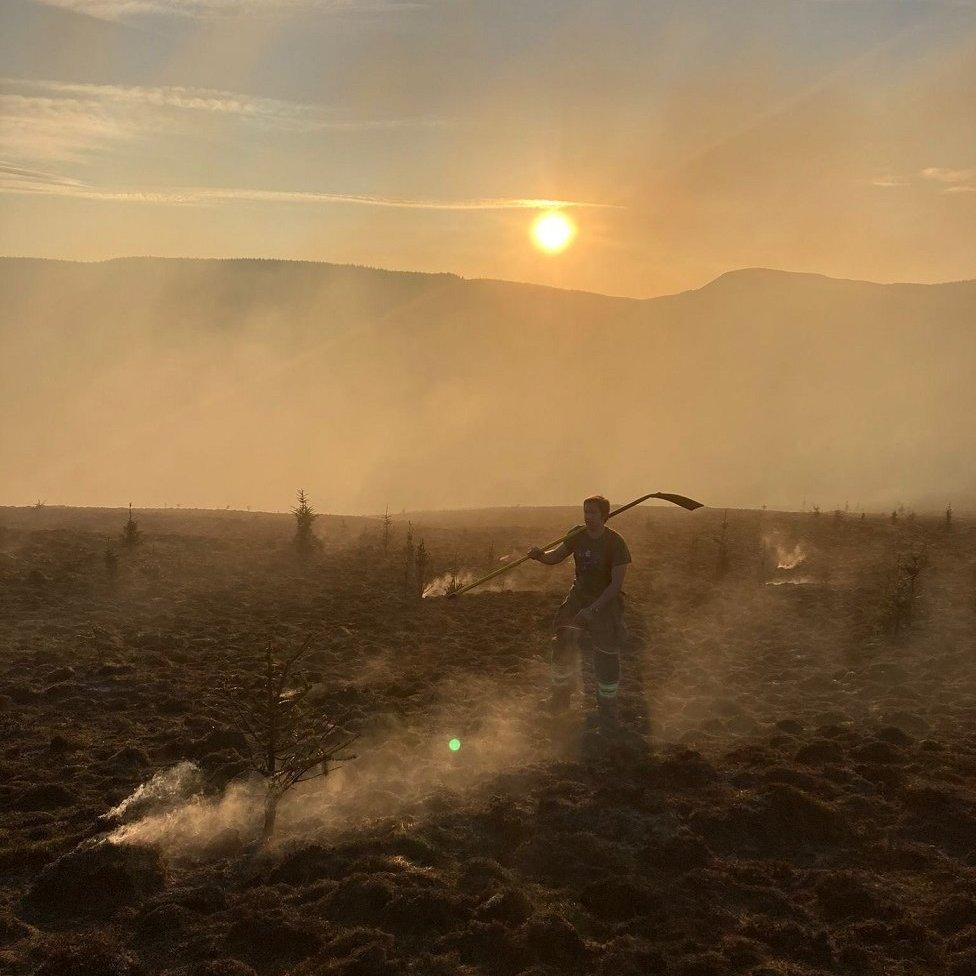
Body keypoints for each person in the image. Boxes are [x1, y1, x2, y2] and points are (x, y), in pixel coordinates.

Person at [528, 494, 631, 733]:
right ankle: (560, 699)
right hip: (578, 598)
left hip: (605, 604)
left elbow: (615, 586)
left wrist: (592, 610)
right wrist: (539, 556)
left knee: (606, 655)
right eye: (586, 512)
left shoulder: (616, 544)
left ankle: (607, 709)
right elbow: (555, 556)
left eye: (593, 513)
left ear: (604, 516)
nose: (588, 517)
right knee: (562, 643)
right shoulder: (577, 534)